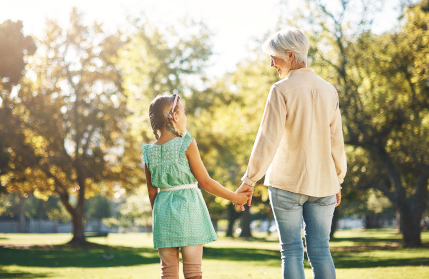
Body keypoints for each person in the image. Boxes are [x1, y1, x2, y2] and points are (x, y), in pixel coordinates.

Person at [235, 27, 347, 279]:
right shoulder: (329, 90)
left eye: (274, 57)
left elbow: (267, 139)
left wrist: (249, 179)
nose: (271, 63)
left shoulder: (281, 89)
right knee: (321, 251)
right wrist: (337, 178)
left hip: (286, 184)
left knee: (292, 251)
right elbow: (336, 141)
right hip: (324, 184)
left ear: (289, 55)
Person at [142, 93, 252, 279]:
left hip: (163, 215)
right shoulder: (186, 143)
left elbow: (152, 194)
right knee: (193, 273)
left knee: (167, 273)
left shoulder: (149, 152)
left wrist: (161, 216)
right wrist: (235, 197)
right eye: (183, 112)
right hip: (189, 210)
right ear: (174, 116)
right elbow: (206, 182)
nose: (185, 117)